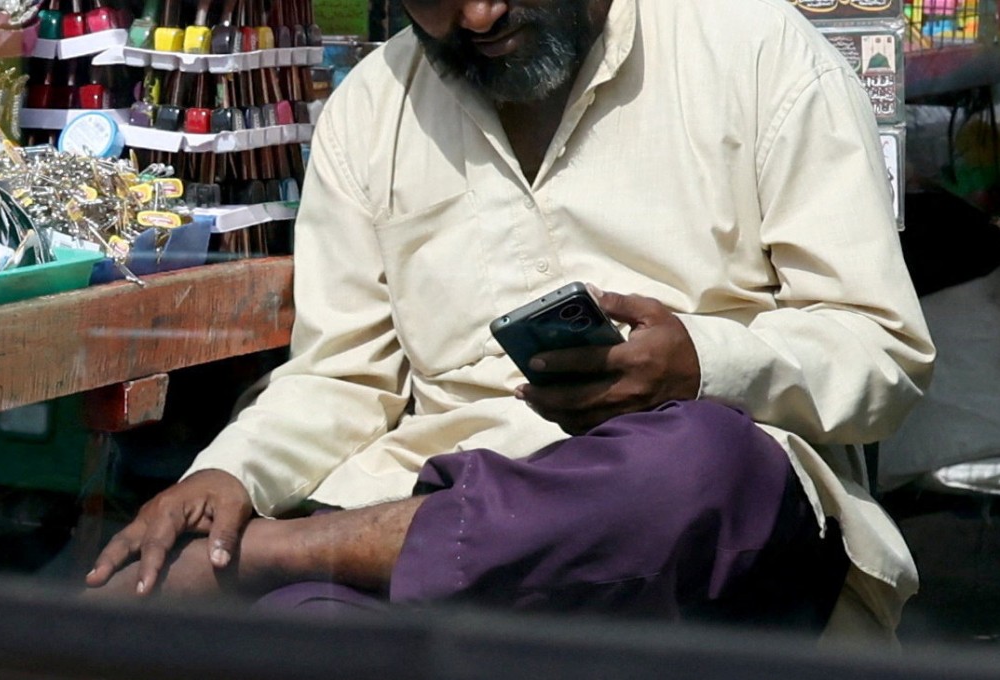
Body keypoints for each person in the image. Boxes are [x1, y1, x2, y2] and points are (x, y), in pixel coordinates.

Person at [85, 0, 935, 644]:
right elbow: (340, 376)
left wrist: (704, 365)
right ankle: (333, 560)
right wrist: (227, 476)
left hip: (696, 524)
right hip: (429, 517)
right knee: (306, 634)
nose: (480, 16)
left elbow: (880, 352)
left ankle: (288, 551)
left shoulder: (754, 48)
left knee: (698, 461)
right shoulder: (372, 109)